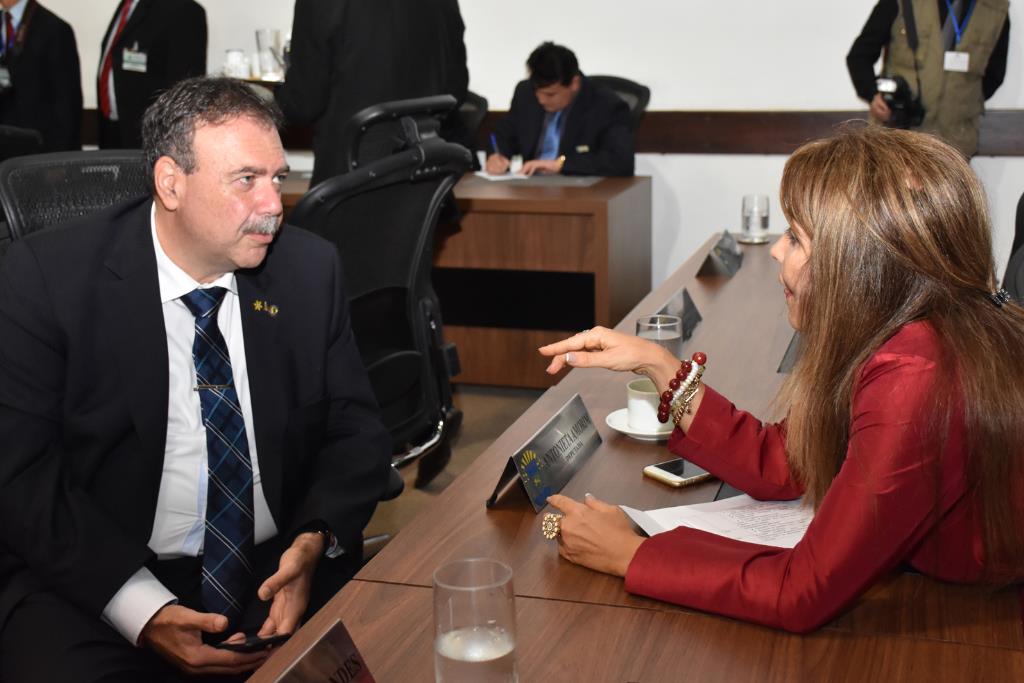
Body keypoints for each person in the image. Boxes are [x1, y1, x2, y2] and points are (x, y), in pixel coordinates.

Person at [537, 126, 1024, 633]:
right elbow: (785, 462)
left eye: (795, 236)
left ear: (856, 264)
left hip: (986, 624)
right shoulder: (908, 330)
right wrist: (659, 366)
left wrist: (631, 554)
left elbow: (803, 591)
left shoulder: (916, 374)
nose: (774, 249)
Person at [0, 77, 392, 681]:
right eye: (246, 180)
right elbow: (22, 478)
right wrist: (144, 611)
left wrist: (313, 542)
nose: (273, 206)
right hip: (102, 577)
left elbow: (356, 430)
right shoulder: (46, 280)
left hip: (279, 570)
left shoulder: (309, 270)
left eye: (277, 178)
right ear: (170, 183)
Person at [275, 0, 468, 186]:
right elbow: (455, 92)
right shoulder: (444, 3)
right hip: (424, 181)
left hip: (349, 185)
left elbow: (303, 104)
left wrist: (265, 99)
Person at [846, 0, 1009, 158]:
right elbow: (859, 56)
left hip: (954, 146)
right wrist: (872, 94)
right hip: (897, 139)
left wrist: (960, 104)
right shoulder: (901, 2)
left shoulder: (995, 9)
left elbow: (994, 76)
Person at [485, 42, 634, 178]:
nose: (541, 100)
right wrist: (497, 155)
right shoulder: (525, 93)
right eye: (537, 92)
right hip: (531, 187)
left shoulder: (605, 104)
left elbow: (621, 161)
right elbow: (503, 132)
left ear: (574, 83)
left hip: (580, 191)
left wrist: (560, 164)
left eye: (550, 94)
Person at [97, 0, 208, 149]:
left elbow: (185, 93)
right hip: (113, 136)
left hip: (151, 145)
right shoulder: (126, 6)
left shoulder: (184, 10)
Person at [0, 0, 81, 151]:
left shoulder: (55, 29)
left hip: (37, 154)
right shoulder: (2, 23)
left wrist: (59, 163)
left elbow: (67, 106)